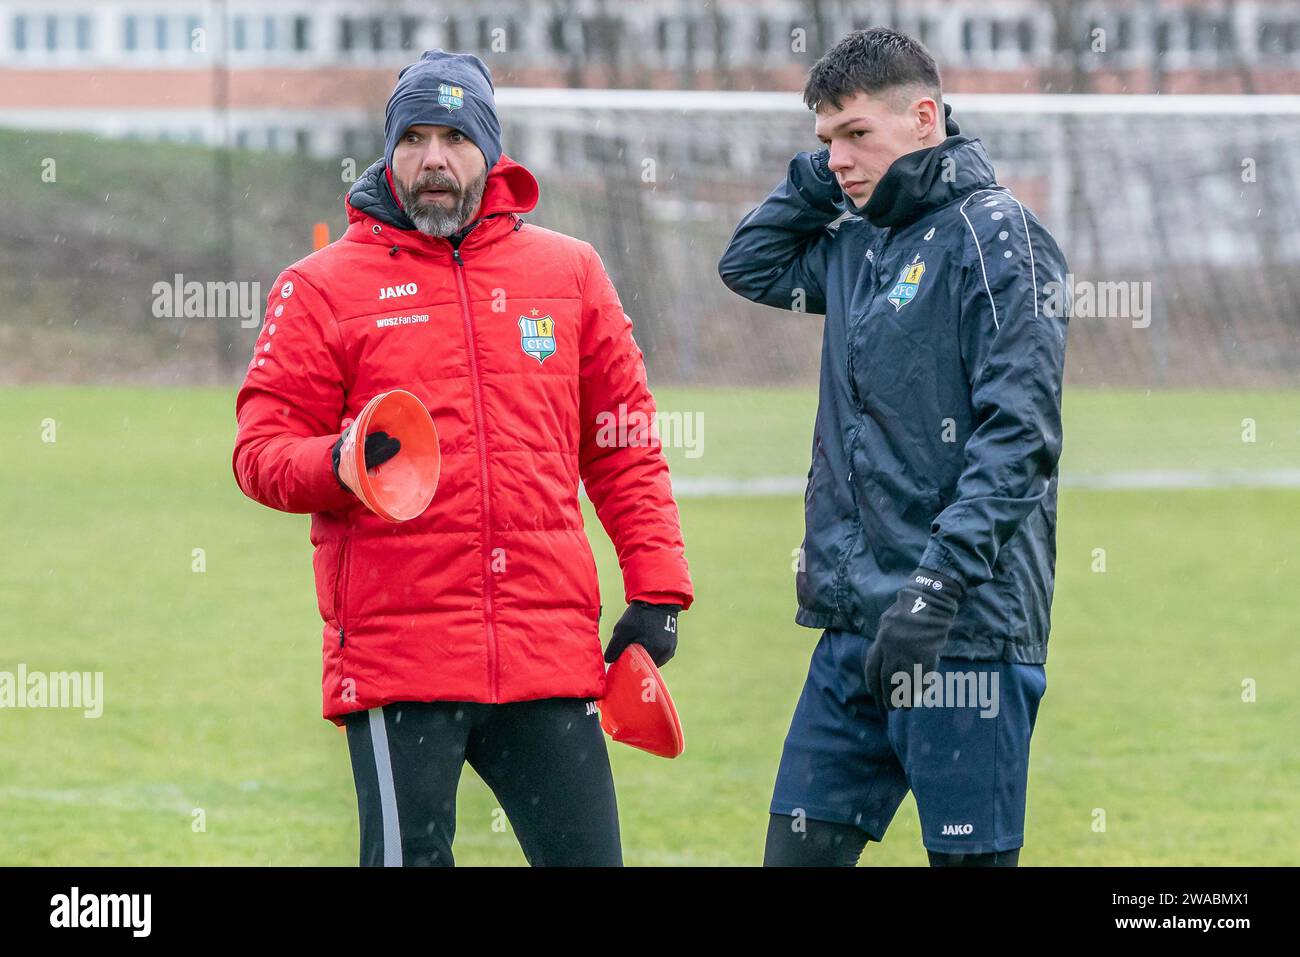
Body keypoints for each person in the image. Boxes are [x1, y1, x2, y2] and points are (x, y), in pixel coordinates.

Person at [232, 49, 692, 867]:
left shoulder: (571, 272)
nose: (433, 159)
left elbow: (624, 444)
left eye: (454, 136)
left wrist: (657, 589)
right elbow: (259, 452)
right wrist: (340, 462)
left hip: (548, 652)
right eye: (413, 138)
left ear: (492, 149)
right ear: (388, 152)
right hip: (399, 657)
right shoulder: (320, 287)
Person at [718, 28, 1069, 867]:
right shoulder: (857, 244)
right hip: (852, 631)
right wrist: (819, 173)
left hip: (962, 634)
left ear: (924, 118)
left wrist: (937, 587)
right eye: (825, 141)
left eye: (856, 135)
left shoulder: (999, 238)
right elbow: (748, 263)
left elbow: (1020, 433)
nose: (838, 159)